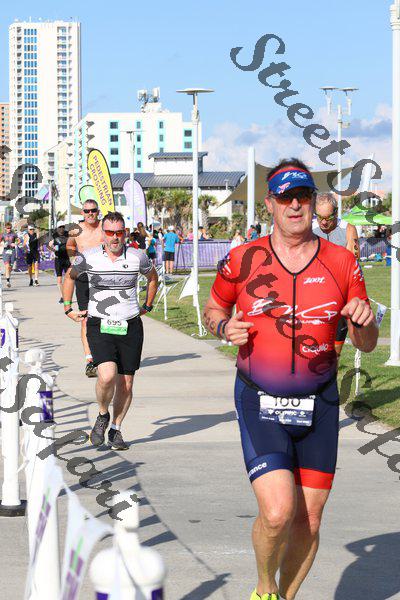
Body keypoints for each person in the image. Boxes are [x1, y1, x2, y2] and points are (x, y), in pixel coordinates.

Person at [203, 158, 378, 600]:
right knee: (279, 512)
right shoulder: (242, 259)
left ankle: (285, 596)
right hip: (259, 399)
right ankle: (264, 590)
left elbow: (368, 342)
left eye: (302, 196)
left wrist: (364, 321)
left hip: (320, 403)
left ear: (313, 201)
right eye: (286, 198)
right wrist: (224, 327)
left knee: (310, 520)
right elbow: (213, 309)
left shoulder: (342, 262)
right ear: (270, 204)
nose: (295, 205)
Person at [62, 211, 158, 450]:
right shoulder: (89, 257)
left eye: (119, 232)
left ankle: (116, 429)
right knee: (106, 376)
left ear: (125, 233)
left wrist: (147, 305)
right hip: (100, 323)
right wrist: (68, 308)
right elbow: (70, 277)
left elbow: (152, 277)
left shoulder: (137, 256)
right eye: (110, 232)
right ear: (103, 234)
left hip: (130, 325)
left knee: (126, 383)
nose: (115, 237)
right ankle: (103, 414)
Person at [313, 193, 359, 356]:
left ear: (336, 212)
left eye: (328, 217)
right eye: (319, 217)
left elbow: (353, 266)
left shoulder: (348, 229)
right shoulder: (308, 230)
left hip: (339, 298)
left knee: (334, 353)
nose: (324, 222)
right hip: (313, 297)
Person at [66, 198, 103, 378]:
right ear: (82, 213)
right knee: (85, 318)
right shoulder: (76, 229)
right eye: (87, 211)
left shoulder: (105, 227)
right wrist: (74, 257)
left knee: (106, 316)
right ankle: (90, 361)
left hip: (103, 277)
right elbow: (69, 245)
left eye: (93, 210)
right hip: (83, 278)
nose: (90, 214)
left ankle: (107, 355)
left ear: (98, 211)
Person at [48, 221, 71, 303]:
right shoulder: (54, 236)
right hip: (58, 259)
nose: (61, 228)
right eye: (60, 227)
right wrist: (53, 250)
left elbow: (73, 244)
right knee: (59, 280)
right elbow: (49, 246)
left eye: (63, 227)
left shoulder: (68, 234)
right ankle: (62, 296)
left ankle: (67, 295)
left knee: (68, 279)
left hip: (66, 259)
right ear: (57, 228)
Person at [0, 222, 18, 288]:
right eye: (7, 228)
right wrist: (2, 244)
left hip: (12, 251)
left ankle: (8, 277)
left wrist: (15, 243)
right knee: (7, 266)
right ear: (5, 228)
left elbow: (19, 240)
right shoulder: (3, 234)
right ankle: (8, 281)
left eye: (10, 228)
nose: (9, 229)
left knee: (10, 267)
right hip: (6, 251)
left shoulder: (14, 234)